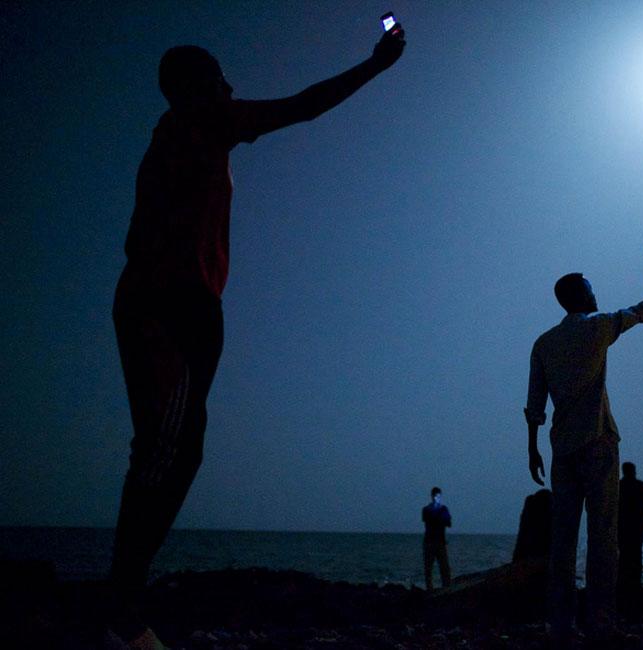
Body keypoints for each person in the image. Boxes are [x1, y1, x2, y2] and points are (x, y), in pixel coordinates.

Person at [108, 23, 405, 648]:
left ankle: (124, 602)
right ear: (197, 87)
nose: (232, 86)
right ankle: (121, 612)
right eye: (221, 77)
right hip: (172, 303)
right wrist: (375, 66)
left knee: (174, 449)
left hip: (175, 301)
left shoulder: (179, 141)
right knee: (166, 449)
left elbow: (138, 233)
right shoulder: (194, 125)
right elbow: (301, 108)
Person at [524, 251, 643, 641]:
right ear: (580, 297)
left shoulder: (544, 344)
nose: (595, 294)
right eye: (590, 290)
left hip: (561, 449)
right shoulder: (598, 327)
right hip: (599, 441)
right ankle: (601, 621)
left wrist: (533, 449)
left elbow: (534, 407)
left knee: (563, 540)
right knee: (604, 536)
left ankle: (560, 622)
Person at [617, 462, 643, 610]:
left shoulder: (618, 486)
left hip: (623, 527)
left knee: (624, 556)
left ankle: (623, 585)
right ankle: (634, 585)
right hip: (635, 527)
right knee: (635, 556)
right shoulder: (640, 486)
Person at [422, 487, 452, 591]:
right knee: (428, 568)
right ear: (432, 497)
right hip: (430, 542)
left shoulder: (443, 509)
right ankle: (430, 588)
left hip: (440, 542)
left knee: (444, 567)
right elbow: (429, 520)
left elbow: (448, 523)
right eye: (435, 496)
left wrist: (442, 516)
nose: (437, 498)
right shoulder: (426, 509)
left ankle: (446, 587)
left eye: (439, 496)